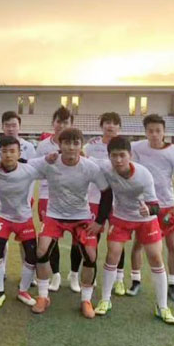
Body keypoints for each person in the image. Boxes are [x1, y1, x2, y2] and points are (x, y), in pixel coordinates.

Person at [92, 136, 174, 325]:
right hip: (121, 217)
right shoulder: (105, 168)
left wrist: (148, 210)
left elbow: (155, 206)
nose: (118, 160)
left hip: (145, 219)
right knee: (112, 254)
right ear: (109, 156)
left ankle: (162, 307)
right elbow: (84, 159)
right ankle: (105, 300)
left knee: (155, 257)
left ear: (130, 155)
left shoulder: (143, 175)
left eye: (122, 155)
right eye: (114, 156)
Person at [29, 128, 109, 319]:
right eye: (67, 143)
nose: (71, 147)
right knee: (41, 252)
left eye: (75, 143)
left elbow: (107, 192)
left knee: (90, 256)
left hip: (81, 216)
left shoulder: (89, 167)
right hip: (54, 215)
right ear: (60, 144)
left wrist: (100, 221)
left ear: (81, 145)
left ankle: (86, 300)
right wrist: (45, 158)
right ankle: (43, 296)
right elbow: (24, 165)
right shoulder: (50, 162)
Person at [129, 114, 174, 301]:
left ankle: (173, 285)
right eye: (150, 131)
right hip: (146, 205)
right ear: (145, 132)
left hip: (167, 206)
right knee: (138, 243)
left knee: (172, 244)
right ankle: (135, 281)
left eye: (158, 131)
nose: (154, 134)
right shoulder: (137, 147)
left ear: (164, 132)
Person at [0, 135, 41, 308]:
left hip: (24, 219)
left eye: (12, 151)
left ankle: (23, 291)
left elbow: (47, 165)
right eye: (5, 151)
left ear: (19, 153)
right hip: (4, 218)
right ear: (0, 153)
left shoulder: (29, 169)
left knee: (31, 255)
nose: (8, 155)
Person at [67, 112, 123, 294]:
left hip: (117, 202)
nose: (110, 126)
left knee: (117, 240)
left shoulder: (123, 146)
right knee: (86, 239)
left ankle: (119, 279)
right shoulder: (91, 146)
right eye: (107, 122)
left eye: (114, 123)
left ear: (119, 127)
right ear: (101, 126)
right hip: (93, 200)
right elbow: (79, 162)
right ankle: (74, 274)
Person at [0, 111, 37, 284]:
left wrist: (29, 197)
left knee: (26, 240)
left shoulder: (29, 147)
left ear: (19, 127)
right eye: (7, 125)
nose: (11, 128)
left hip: (24, 200)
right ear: (2, 127)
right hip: (1, 201)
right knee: (0, 238)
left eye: (14, 125)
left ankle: (29, 275)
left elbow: (32, 172)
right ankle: (1, 271)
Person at [35, 106, 74, 292]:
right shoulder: (43, 146)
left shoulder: (76, 144)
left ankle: (74, 274)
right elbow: (35, 169)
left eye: (66, 122)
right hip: (47, 195)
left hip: (72, 197)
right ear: (53, 123)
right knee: (51, 238)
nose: (62, 125)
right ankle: (56, 274)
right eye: (59, 121)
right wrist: (47, 162)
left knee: (78, 237)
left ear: (71, 124)